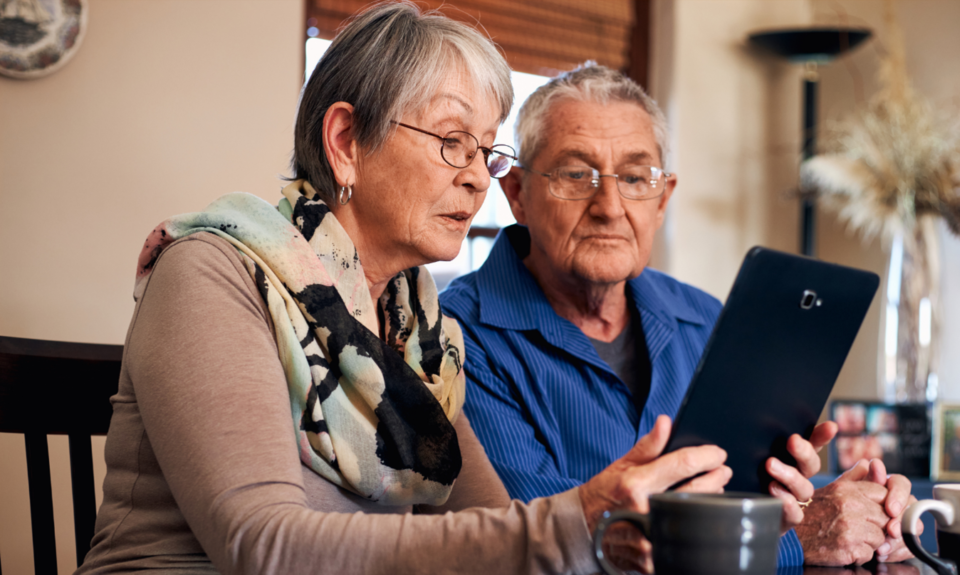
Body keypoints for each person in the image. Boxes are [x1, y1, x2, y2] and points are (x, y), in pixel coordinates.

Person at [74, 5, 823, 574]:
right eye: (450, 141)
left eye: (484, 149)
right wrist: (576, 516)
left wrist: (622, 530)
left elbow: (498, 527)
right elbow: (261, 543)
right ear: (346, 142)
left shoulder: (420, 330)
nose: (476, 176)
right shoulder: (214, 272)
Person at [440, 63, 920, 570]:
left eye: (634, 177)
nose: (609, 206)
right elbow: (542, 543)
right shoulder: (454, 336)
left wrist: (857, 513)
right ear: (517, 193)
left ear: (663, 198)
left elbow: (753, 494)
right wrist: (798, 538)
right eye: (576, 174)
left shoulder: (704, 318)